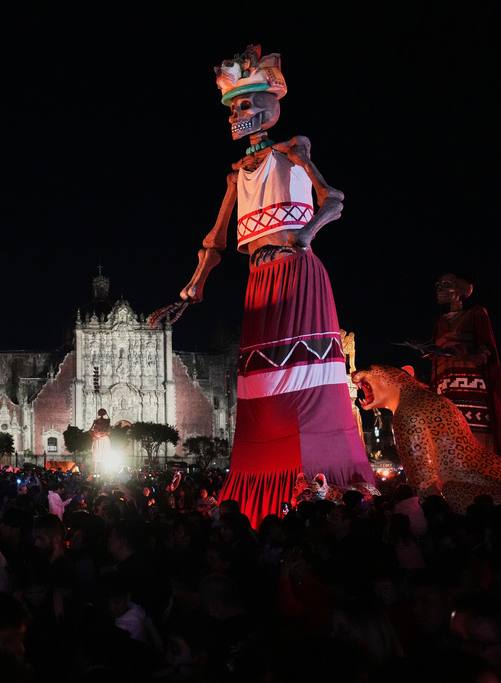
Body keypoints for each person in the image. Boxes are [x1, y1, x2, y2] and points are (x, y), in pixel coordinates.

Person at [175, 45, 372, 526]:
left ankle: (320, 486)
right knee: (261, 382)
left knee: (304, 372)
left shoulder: (291, 150)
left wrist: (306, 233)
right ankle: (263, 484)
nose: (237, 115)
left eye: (245, 105)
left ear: (268, 107)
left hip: (296, 268)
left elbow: (334, 200)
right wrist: (195, 284)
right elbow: (215, 239)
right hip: (258, 278)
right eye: (234, 107)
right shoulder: (235, 175)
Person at [431, 273, 501, 455]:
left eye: (446, 284)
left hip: (470, 388)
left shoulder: (476, 314)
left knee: (473, 440)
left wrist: (459, 356)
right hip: (445, 390)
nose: (440, 289)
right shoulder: (440, 322)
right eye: (438, 285)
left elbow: (485, 354)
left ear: (460, 290)